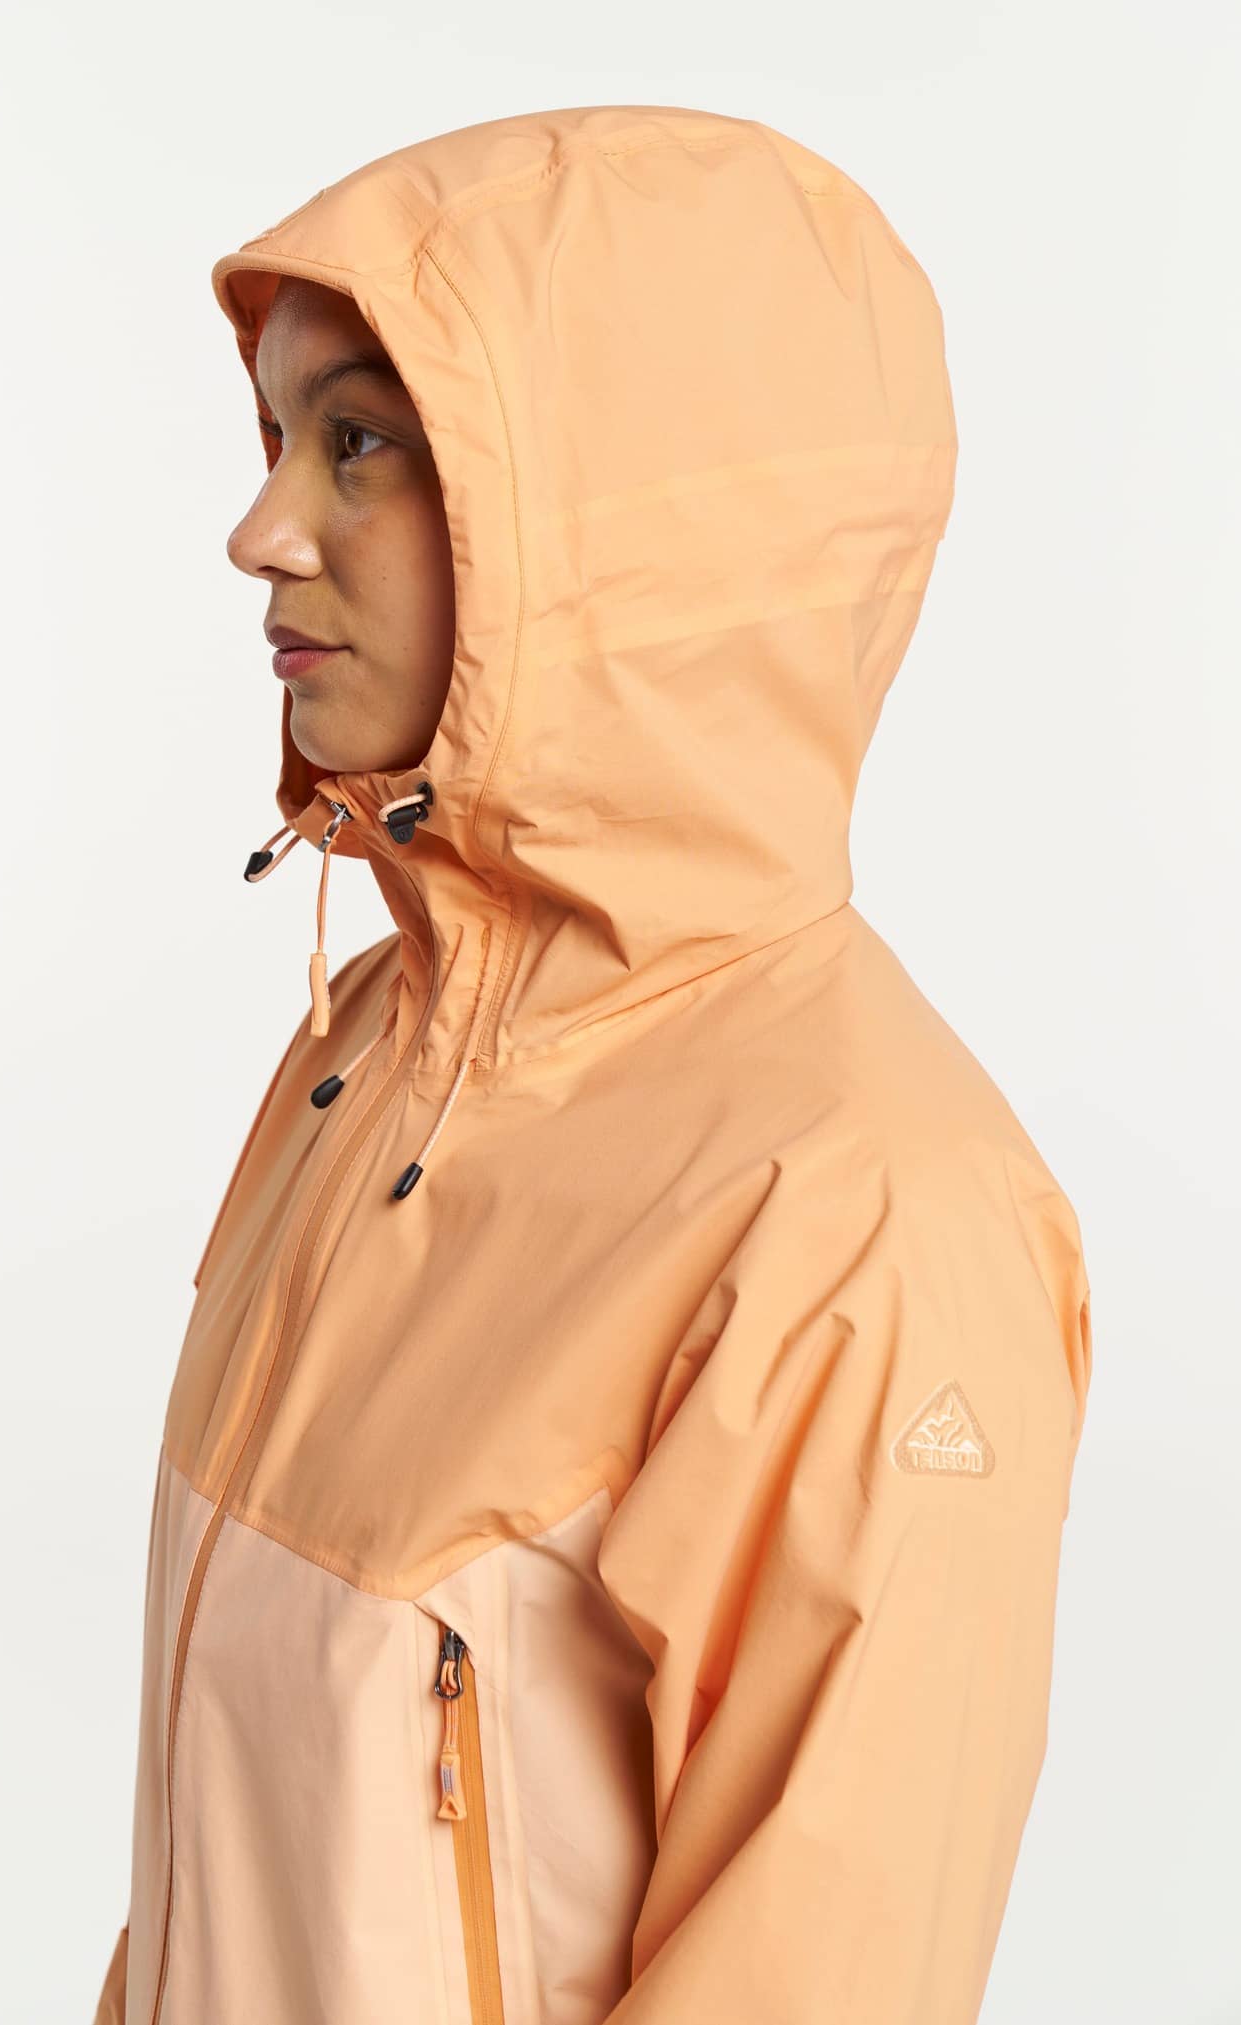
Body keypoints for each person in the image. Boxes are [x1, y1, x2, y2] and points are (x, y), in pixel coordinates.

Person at [92, 104, 1094, 2025]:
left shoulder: (868, 1214)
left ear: (616, 535)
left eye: (359, 442)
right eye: (274, 437)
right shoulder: (366, 1052)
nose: (260, 530)